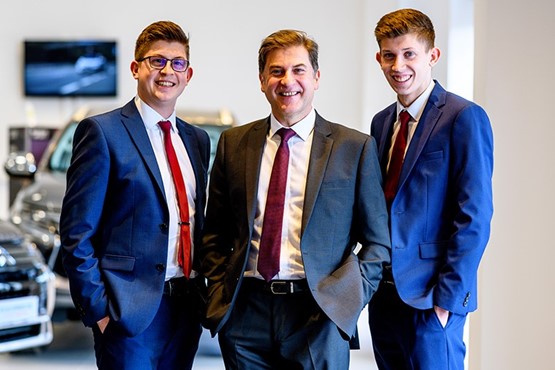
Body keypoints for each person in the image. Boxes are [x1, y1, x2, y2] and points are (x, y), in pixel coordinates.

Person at [199, 29, 391, 370]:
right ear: (262, 80)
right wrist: (219, 291)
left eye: (299, 70)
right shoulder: (234, 143)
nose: (288, 80)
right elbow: (215, 232)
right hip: (246, 314)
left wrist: (347, 301)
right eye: (276, 71)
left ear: (316, 78)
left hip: (318, 314)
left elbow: (377, 242)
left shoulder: (353, 148)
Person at [60, 21, 210, 370]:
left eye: (177, 63)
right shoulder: (102, 132)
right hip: (127, 313)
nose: (167, 71)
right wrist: (99, 311)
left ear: (188, 74)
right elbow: (76, 233)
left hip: (185, 308)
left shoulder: (196, 140)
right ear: (135, 67)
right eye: (156, 61)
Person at [368, 8, 494, 370]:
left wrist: (447, 301)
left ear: (432, 56)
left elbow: (475, 217)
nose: (398, 66)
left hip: (432, 300)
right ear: (379, 58)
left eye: (409, 54)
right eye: (389, 56)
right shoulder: (381, 123)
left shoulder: (463, 117)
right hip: (384, 296)